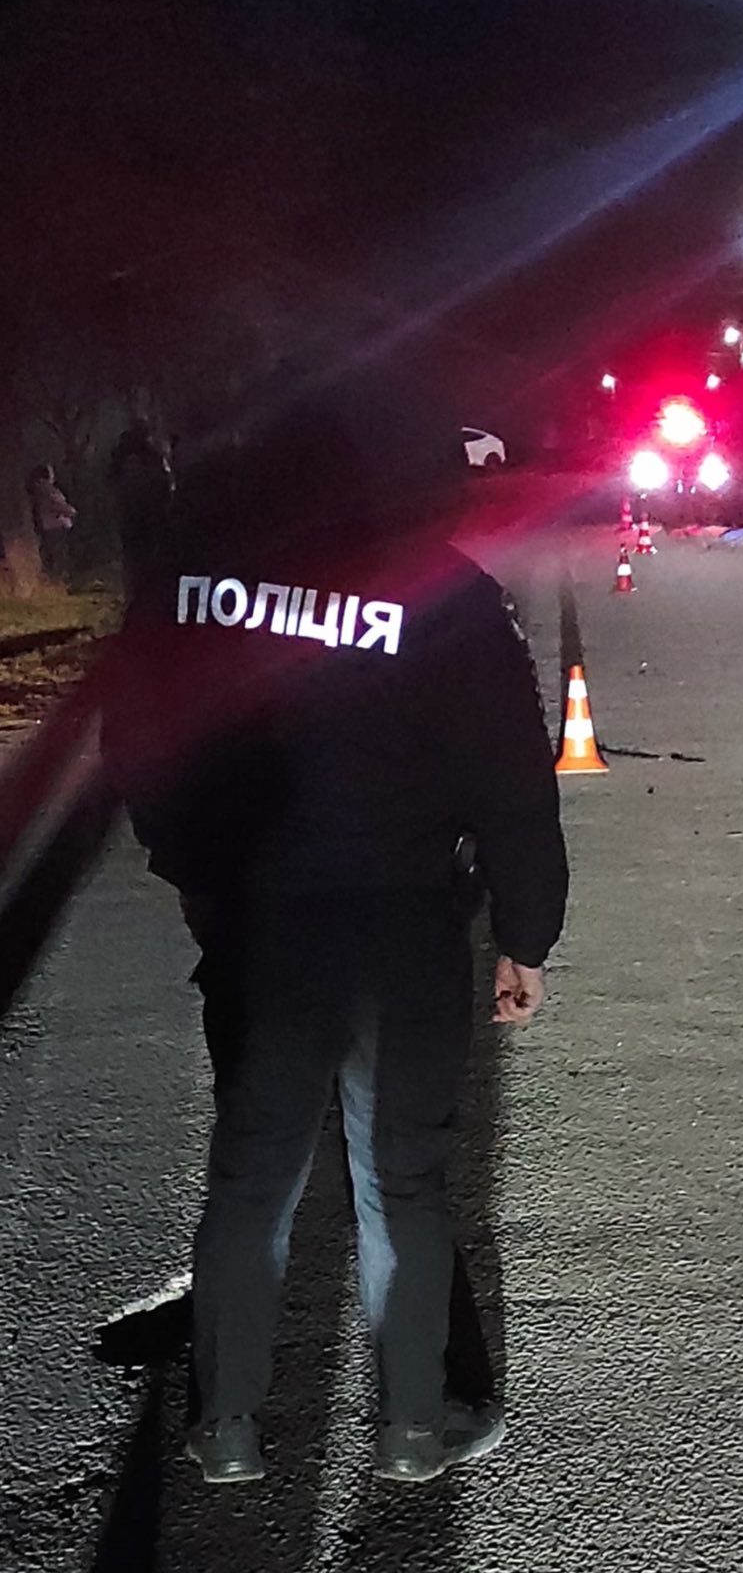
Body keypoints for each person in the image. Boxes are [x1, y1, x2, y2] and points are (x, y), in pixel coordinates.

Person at [104, 376, 569, 1488]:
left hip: (260, 927)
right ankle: (412, 1426)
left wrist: (194, 871)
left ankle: (226, 1426)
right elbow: (513, 786)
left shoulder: (189, 586)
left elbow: (140, 739)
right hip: (403, 932)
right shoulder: (447, 596)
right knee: (401, 1181)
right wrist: (526, 934)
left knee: (250, 1176)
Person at [108, 420, 175, 587]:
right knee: (151, 554)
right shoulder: (152, 457)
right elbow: (164, 483)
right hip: (152, 514)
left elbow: (112, 482)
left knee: (133, 556)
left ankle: (135, 588)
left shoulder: (121, 457)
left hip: (129, 515)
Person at [26, 464, 76, 583]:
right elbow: (57, 505)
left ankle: (53, 579)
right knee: (59, 554)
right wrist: (71, 511)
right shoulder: (48, 490)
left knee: (51, 554)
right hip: (56, 525)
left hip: (48, 526)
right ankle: (59, 580)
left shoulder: (37, 490)